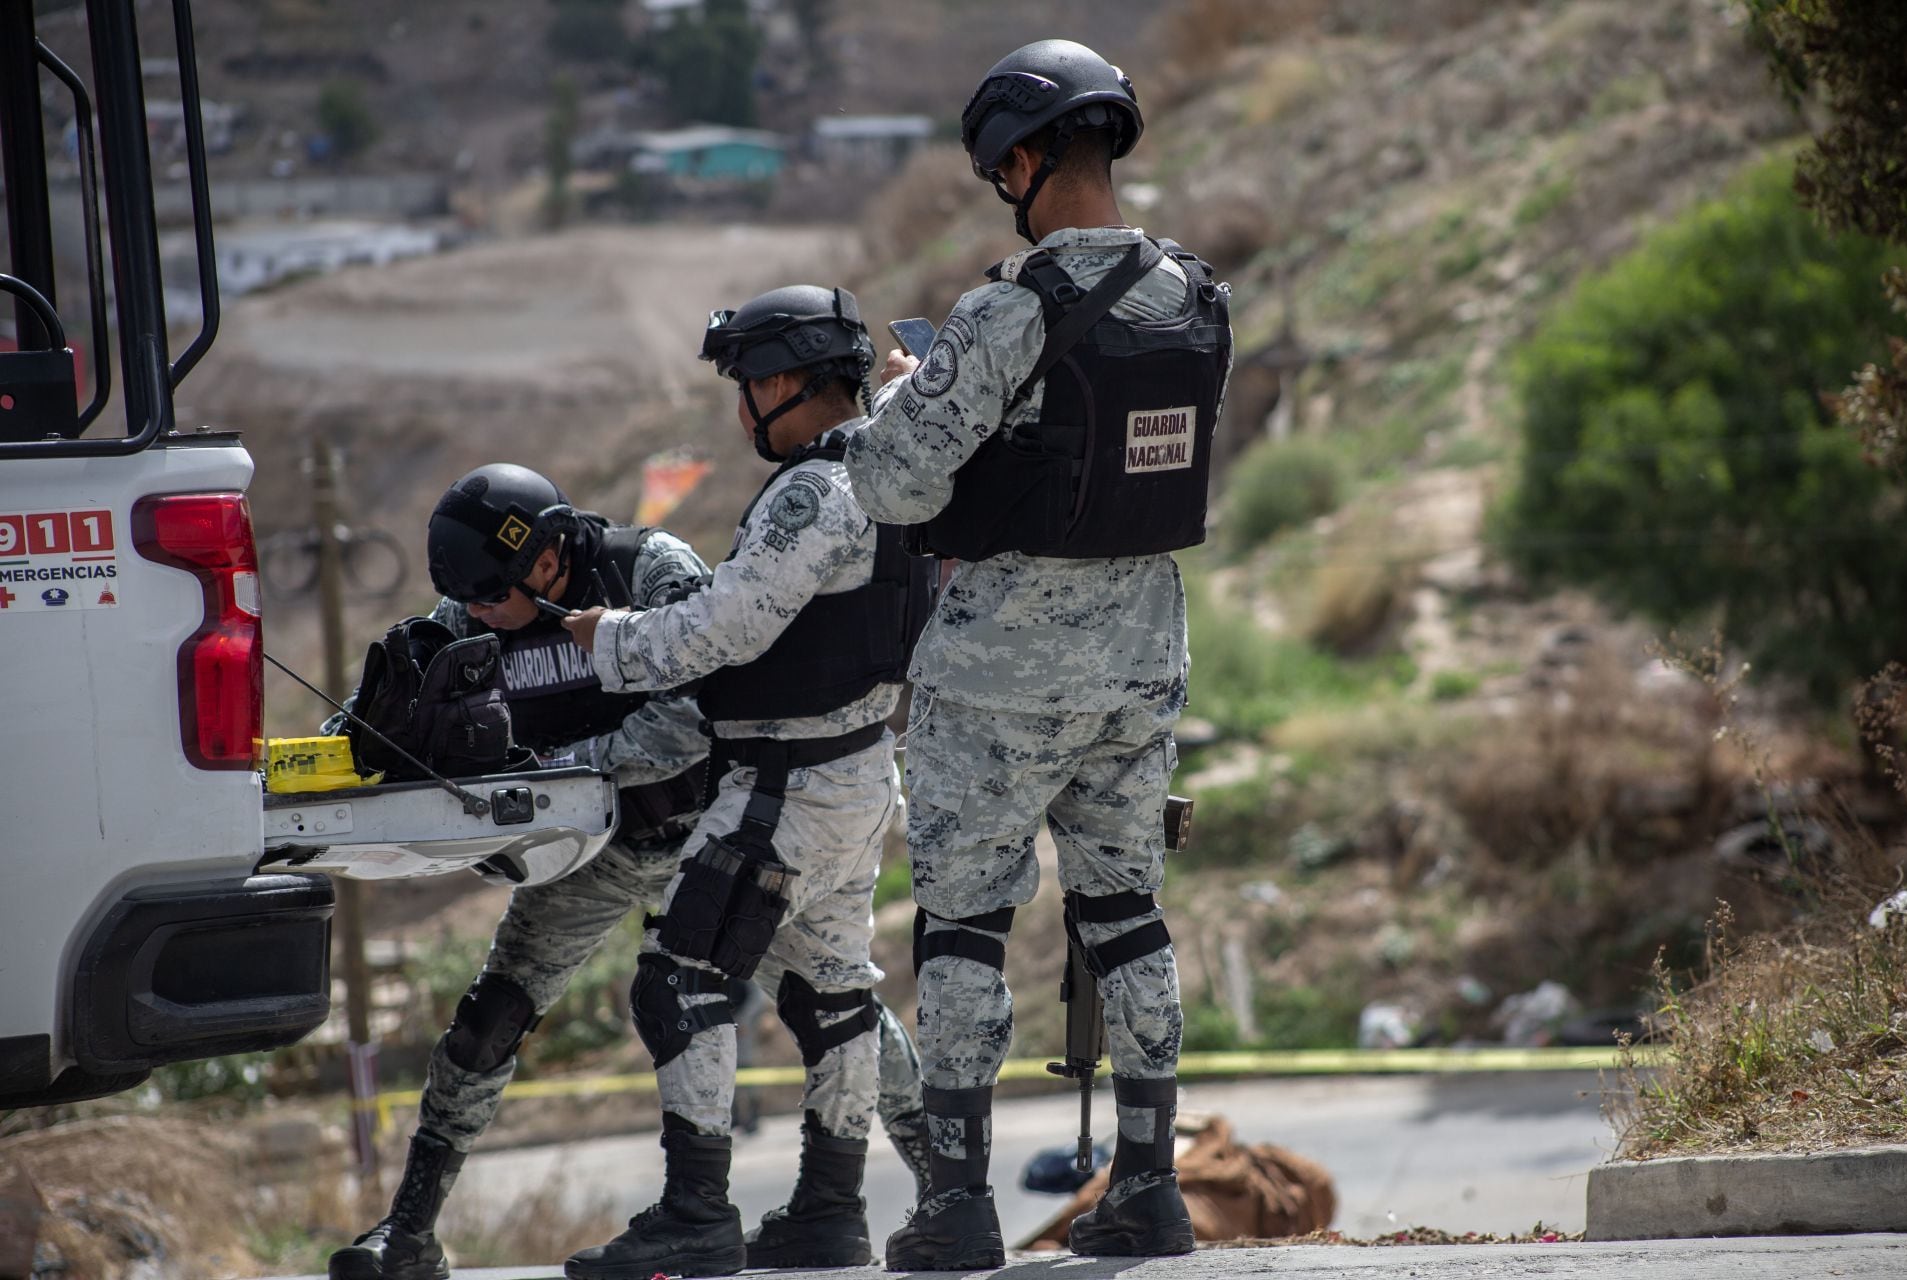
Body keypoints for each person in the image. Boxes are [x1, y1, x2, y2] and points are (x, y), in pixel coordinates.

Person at [327, 464, 930, 1280]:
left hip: (701, 833)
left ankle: (942, 1184)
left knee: (832, 999)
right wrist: (340, 748)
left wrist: (566, 772)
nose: (479, 615)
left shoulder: (650, 569)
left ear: (545, 560)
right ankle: (408, 1232)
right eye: (466, 603)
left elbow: (693, 714)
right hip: (588, 860)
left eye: (492, 598)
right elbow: (407, 695)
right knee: (488, 1020)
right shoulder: (471, 608)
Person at [840, 38, 1234, 1270]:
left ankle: (958, 1205)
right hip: (1143, 651)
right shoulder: (1197, 292)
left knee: (962, 918)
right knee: (1127, 911)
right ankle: (1152, 1189)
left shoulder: (1011, 308)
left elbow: (895, 481)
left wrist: (908, 390)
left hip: (1001, 663)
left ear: (1020, 158)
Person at [559, 286, 937, 1279]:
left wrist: (609, 641)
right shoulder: (898, 460)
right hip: (855, 776)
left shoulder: (815, 488)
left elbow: (728, 628)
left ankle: (695, 1213)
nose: (740, 410)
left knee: (679, 981)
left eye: (746, 384)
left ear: (788, 381)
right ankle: (827, 1210)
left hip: (782, 789)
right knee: (837, 993)